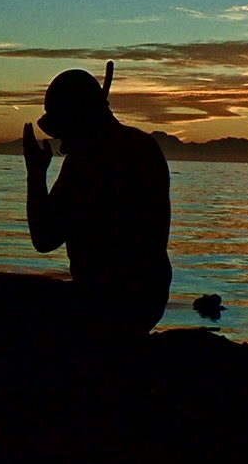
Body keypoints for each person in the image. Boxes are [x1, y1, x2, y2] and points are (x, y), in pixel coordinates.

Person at [17, 64, 173, 335]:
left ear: (76, 118)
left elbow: (44, 239)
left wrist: (35, 174)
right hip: (149, 302)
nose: (61, 143)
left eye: (62, 130)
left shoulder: (87, 160)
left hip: (102, 304)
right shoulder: (145, 146)